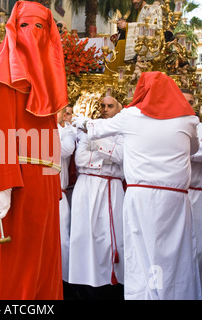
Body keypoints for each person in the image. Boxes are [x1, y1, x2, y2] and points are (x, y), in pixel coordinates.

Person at [0, 1, 69, 299]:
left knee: (43, 264)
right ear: (13, 28)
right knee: (17, 267)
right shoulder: (0, 74)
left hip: (43, 189)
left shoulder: (45, 81)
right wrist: (0, 186)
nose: (31, 33)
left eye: (39, 27)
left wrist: (53, 184)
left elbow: (50, 138)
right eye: (24, 25)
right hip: (16, 186)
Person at [76, 71, 202, 300]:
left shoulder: (130, 116)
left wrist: (80, 121)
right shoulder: (188, 118)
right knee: (175, 253)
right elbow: (192, 149)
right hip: (175, 198)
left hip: (140, 195)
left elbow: (95, 129)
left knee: (140, 250)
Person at [69, 95, 124, 300]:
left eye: (110, 106)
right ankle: (84, 283)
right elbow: (80, 158)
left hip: (111, 188)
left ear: (120, 109)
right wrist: (107, 155)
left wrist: (97, 144)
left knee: (111, 239)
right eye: (102, 105)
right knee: (84, 235)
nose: (105, 109)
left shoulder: (122, 130)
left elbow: (122, 156)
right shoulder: (89, 129)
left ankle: (111, 283)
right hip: (86, 187)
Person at [57, 108, 77, 296]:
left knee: (62, 241)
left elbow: (66, 150)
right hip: (37, 194)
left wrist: (39, 141)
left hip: (58, 194)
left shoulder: (68, 131)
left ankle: (65, 283)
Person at [183, 89, 202, 288]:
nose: (188, 106)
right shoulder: (171, 127)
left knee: (198, 248)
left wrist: (180, 151)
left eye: (191, 102)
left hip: (197, 193)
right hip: (177, 194)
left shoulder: (200, 127)